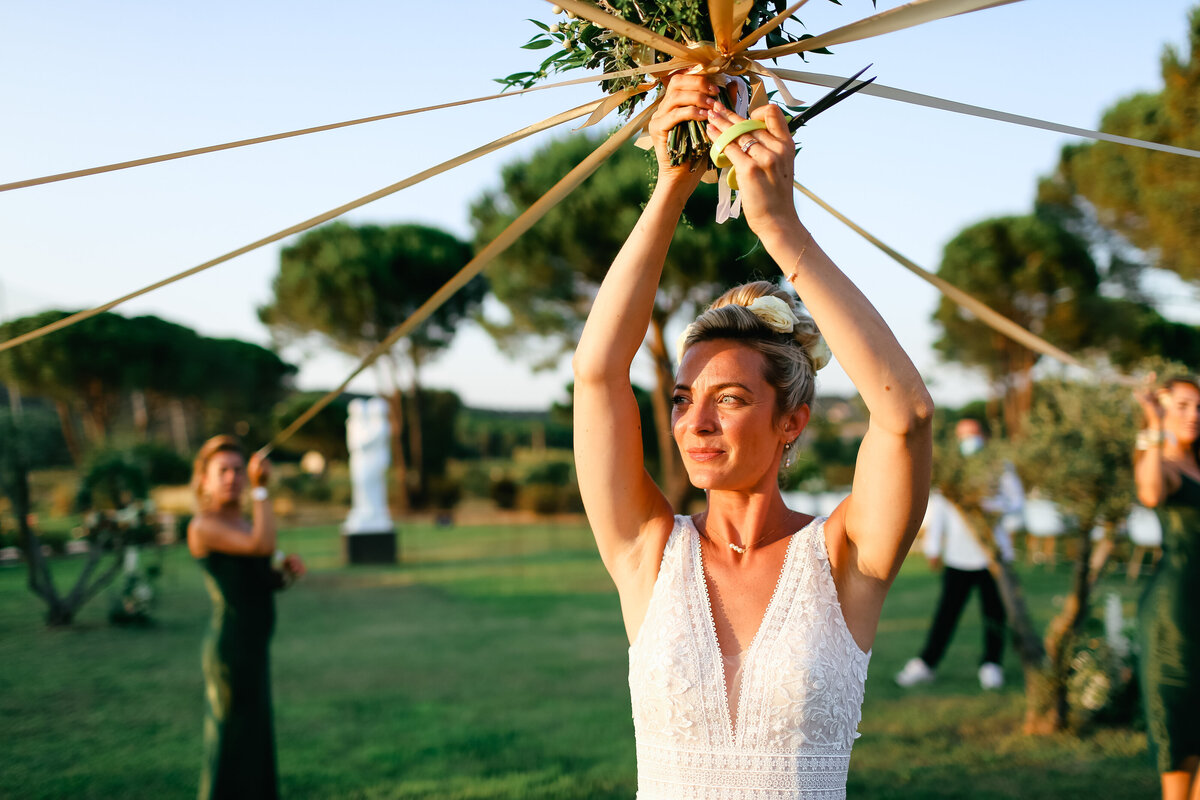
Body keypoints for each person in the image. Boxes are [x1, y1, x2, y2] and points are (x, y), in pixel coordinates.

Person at [572, 74, 933, 798]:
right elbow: (598, 375)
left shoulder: (846, 558)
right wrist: (672, 181)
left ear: (790, 420)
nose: (694, 424)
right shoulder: (645, 551)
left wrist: (780, 228)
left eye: (729, 399)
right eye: (682, 400)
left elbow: (906, 416)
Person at [187, 436, 305, 800]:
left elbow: (258, 578)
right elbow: (262, 546)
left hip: (254, 650)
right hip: (231, 650)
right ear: (203, 479)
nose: (232, 477)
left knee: (255, 742)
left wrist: (283, 574)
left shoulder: (241, 523)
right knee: (231, 743)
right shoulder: (203, 526)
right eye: (222, 470)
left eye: (239, 470)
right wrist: (262, 491)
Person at [895, 418, 1023, 690]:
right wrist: (932, 548)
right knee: (947, 613)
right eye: (962, 435)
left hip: (993, 555)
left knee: (994, 613)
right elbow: (939, 511)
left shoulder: (1000, 466)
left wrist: (990, 504)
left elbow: (1016, 502)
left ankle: (992, 665)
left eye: (972, 434)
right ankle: (927, 663)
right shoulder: (951, 471)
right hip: (958, 556)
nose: (968, 441)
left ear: (984, 437)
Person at [1133, 375, 1200, 800]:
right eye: (1183, 405)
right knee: (1179, 746)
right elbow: (1152, 493)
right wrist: (1154, 426)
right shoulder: (1165, 466)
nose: (1193, 415)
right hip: (1176, 618)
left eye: (1199, 407)